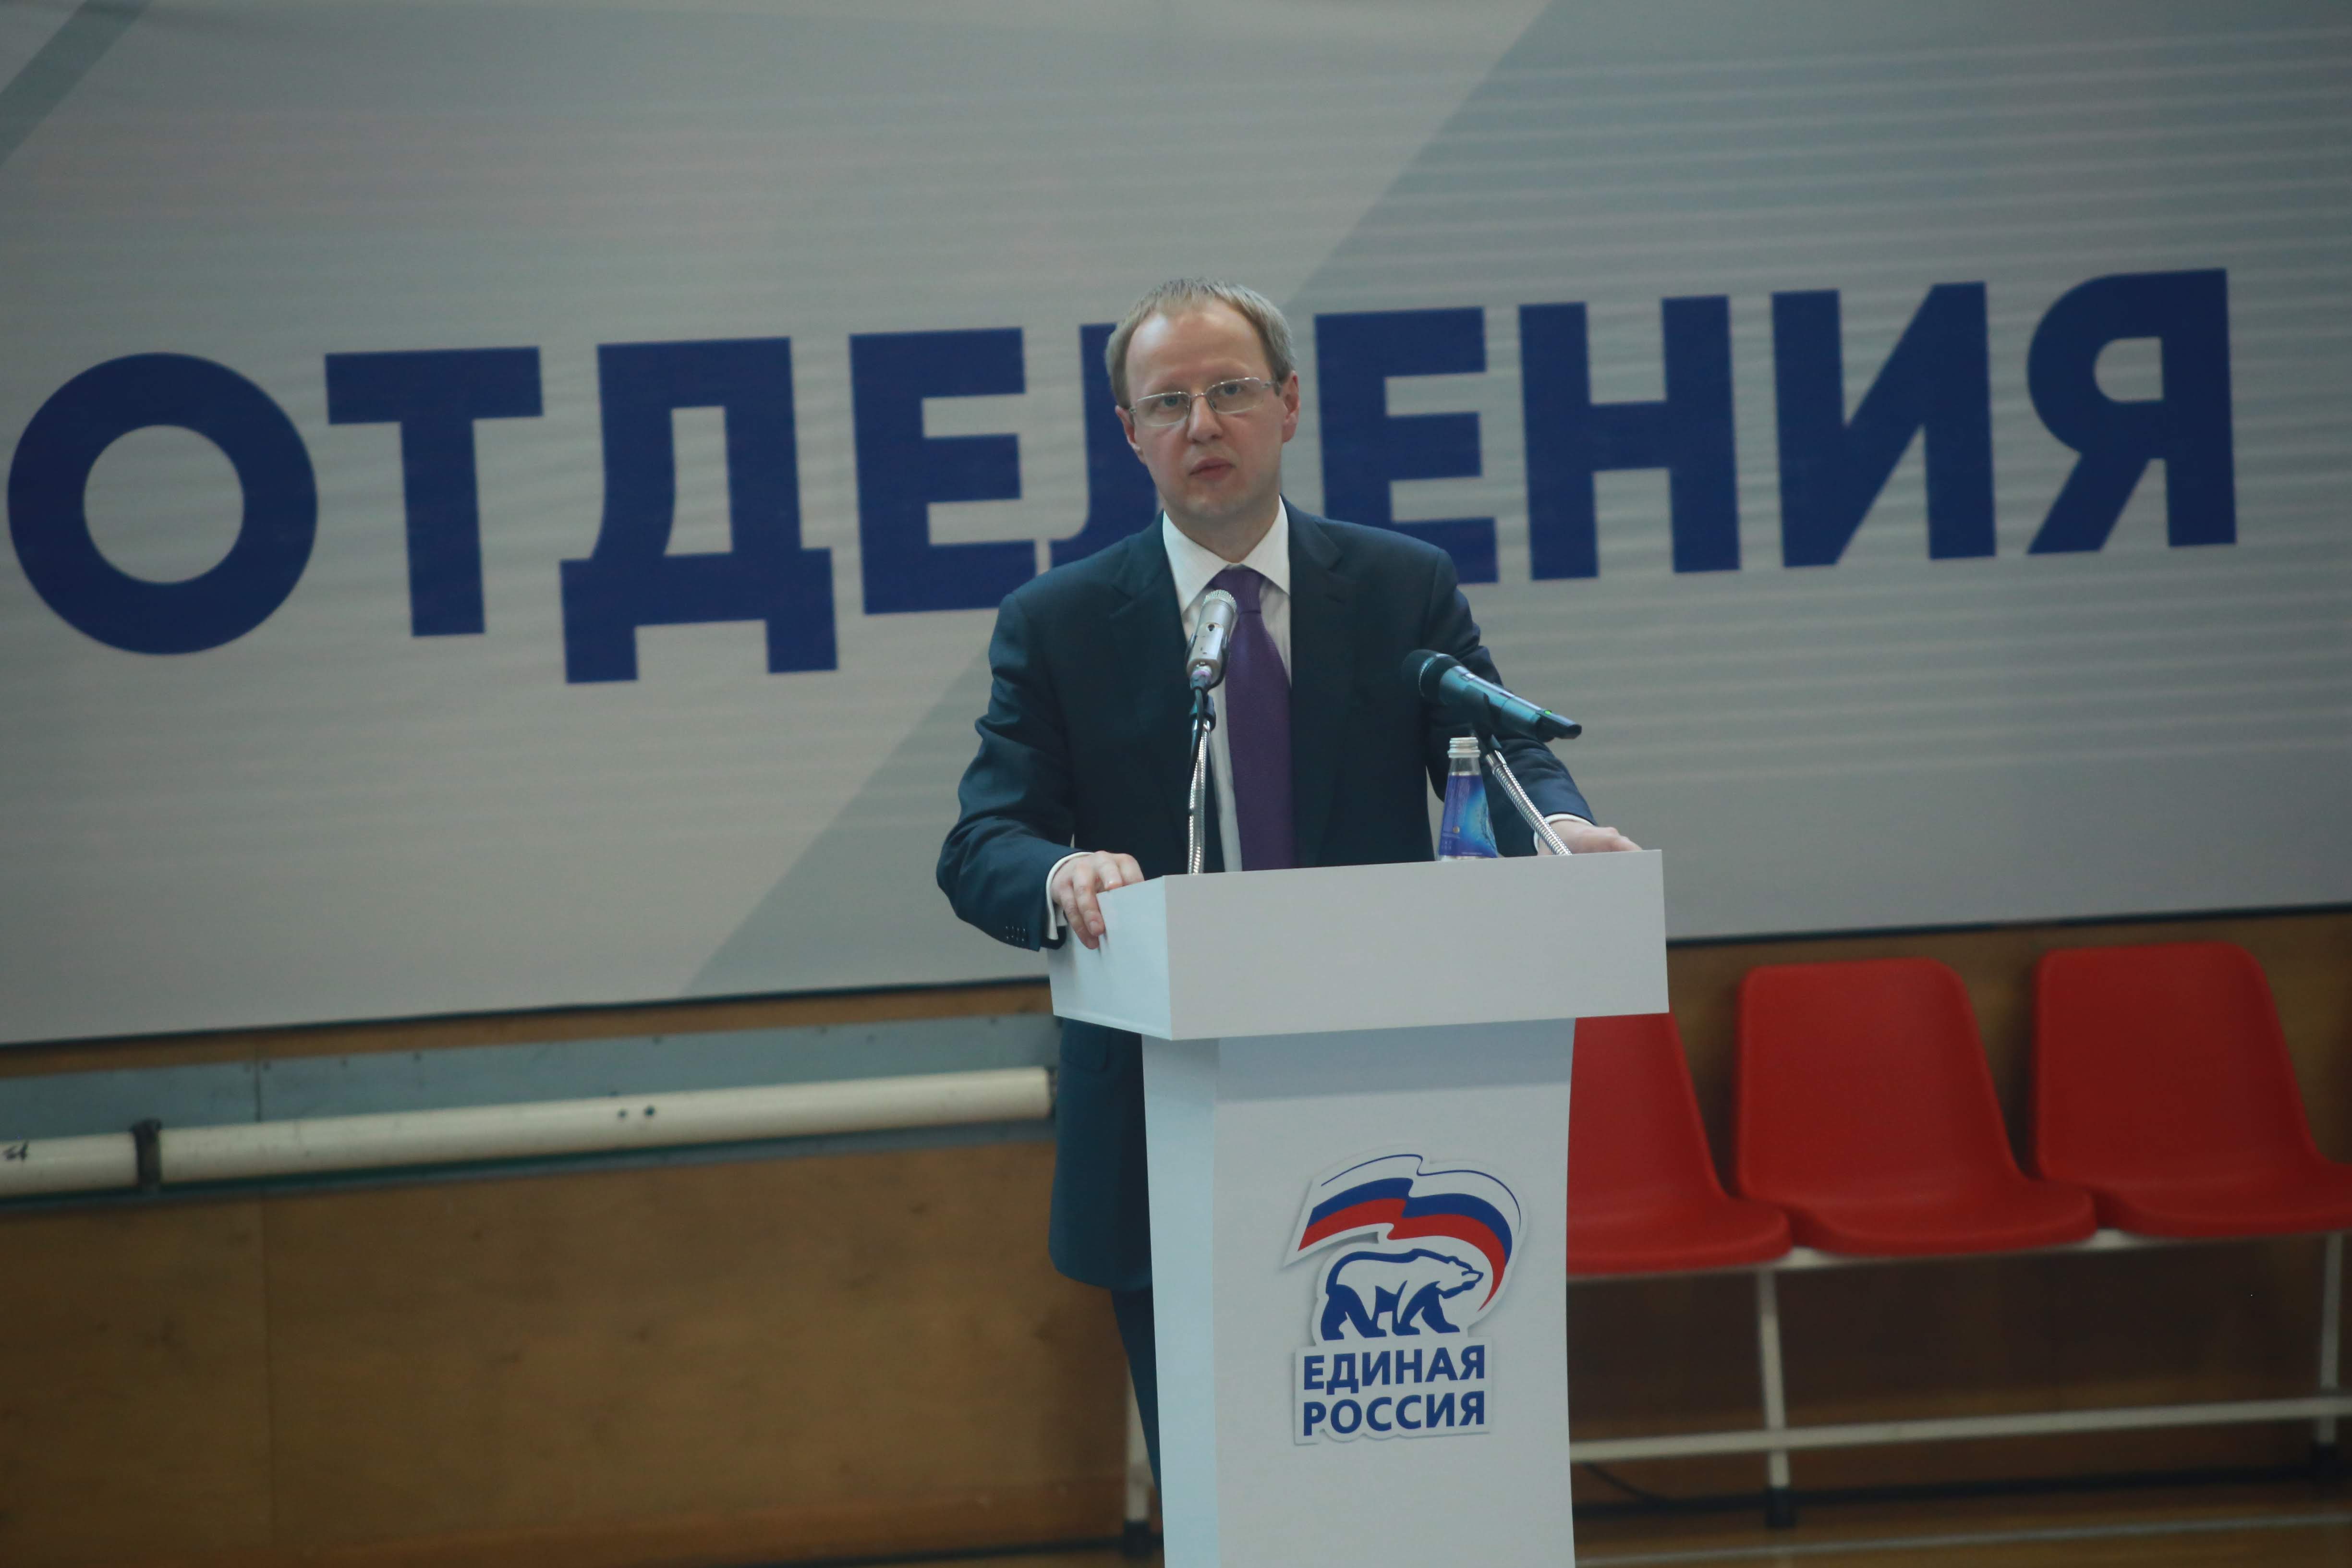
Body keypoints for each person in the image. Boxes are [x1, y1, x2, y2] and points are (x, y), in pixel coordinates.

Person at [935, 278, 1638, 1482]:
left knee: (1404, 1483)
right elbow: (983, 839)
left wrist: (1556, 826)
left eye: (1232, 390)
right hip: (1165, 1117)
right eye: (1169, 402)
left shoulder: (1400, 585)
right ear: (1129, 433)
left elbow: (1494, 749)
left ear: (1290, 404)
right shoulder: (1059, 622)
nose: (1203, 424)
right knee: (1226, 1485)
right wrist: (1061, 871)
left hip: (1390, 1104)